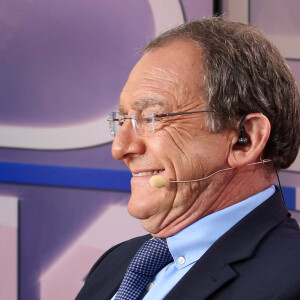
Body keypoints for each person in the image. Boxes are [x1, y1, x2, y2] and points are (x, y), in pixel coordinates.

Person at [76, 17, 300, 300]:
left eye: (151, 118)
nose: (120, 148)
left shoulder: (290, 282)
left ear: (245, 139)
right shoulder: (115, 263)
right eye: (122, 120)